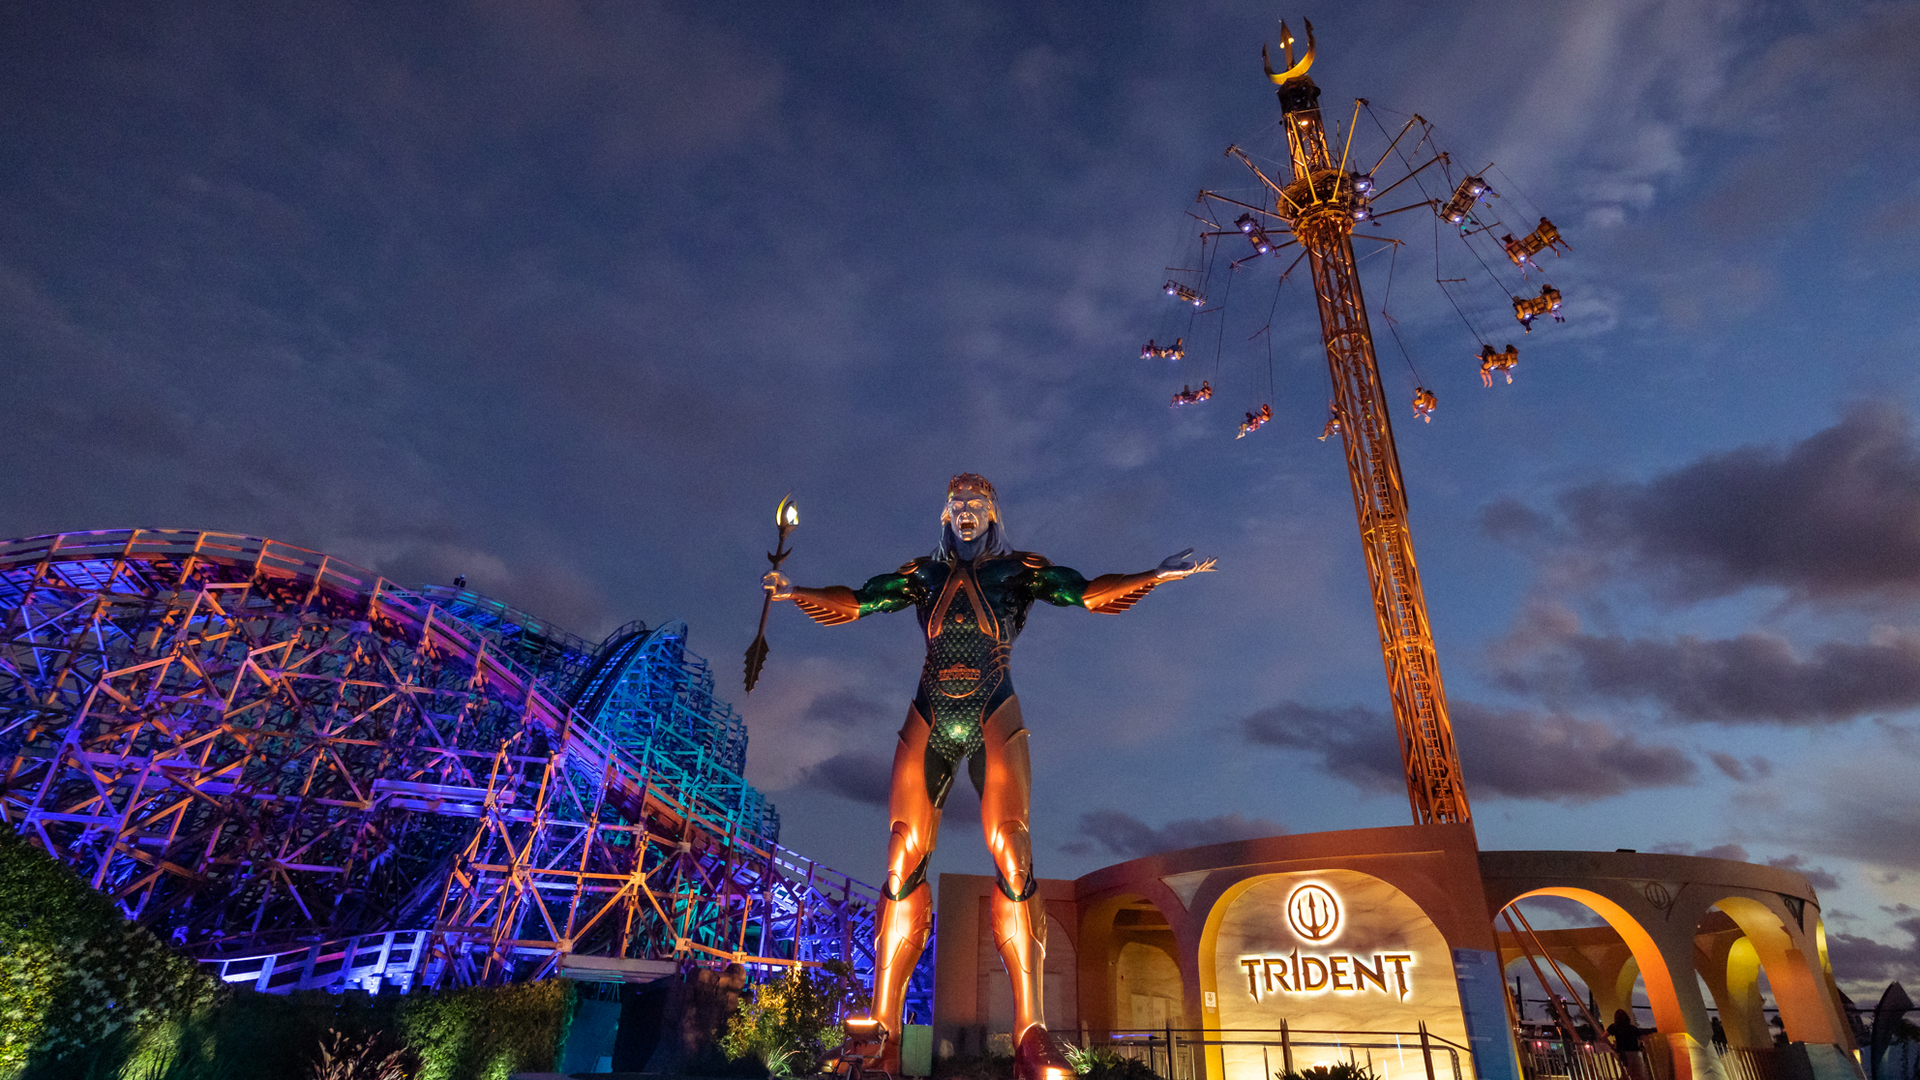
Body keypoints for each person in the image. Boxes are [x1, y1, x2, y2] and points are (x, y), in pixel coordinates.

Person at [764, 475, 1212, 1080]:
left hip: (993, 711)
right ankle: (883, 1032)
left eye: (976, 505)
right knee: (902, 855)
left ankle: (1031, 1029)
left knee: (1012, 850)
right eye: (956, 506)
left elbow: (1079, 592)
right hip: (930, 713)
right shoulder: (922, 574)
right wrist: (795, 594)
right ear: (945, 514)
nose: (966, 514)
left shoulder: (1017, 572)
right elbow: (862, 598)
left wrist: (1149, 577)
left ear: (993, 513)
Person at [1609, 1008, 1651, 1080]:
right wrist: (1643, 1045)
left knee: (1627, 1072)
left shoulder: (1614, 1027)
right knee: (1638, 1072)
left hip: (1623, 1053)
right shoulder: (1632, 1028)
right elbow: (1642, 1038)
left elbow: (1603, 1037)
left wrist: (1611, 1046)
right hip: (1635, 1052)